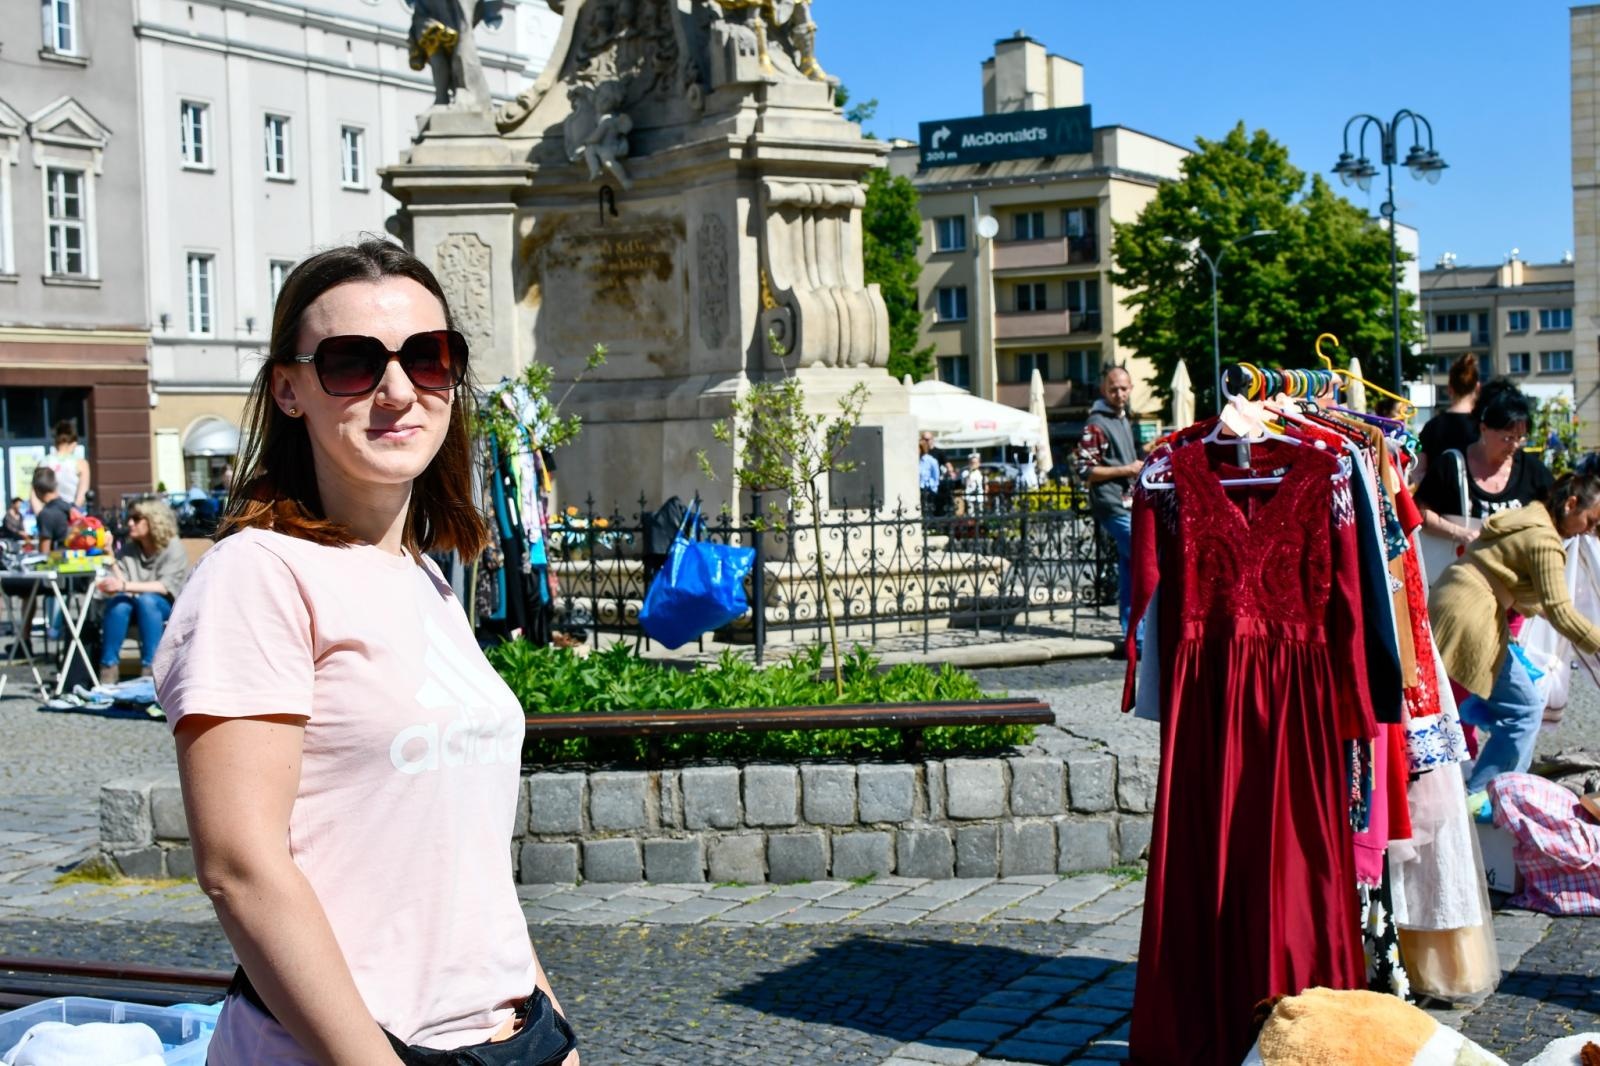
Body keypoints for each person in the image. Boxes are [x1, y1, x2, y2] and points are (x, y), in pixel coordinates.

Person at [151, 242, 578, 1065]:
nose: (399, 390)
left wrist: (549, 1027)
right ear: (289, 389)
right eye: (352, 363)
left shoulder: (424, 575)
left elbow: (465, 862)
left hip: (507, 1037)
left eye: (428, 356)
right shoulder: (259, 574)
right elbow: (240, 868)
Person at [1430, 463, 1600, 792]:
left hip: (1456, 597)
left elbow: (1533, 601)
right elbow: (1560, 612)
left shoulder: (1531, 516)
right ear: (1571, 504)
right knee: (1525, 707)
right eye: (1590, 521)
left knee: (1502, 703)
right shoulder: (1545, 540)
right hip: (1471, 611)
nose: (1587, 531)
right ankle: (1491, 793)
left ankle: (1489, 786)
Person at [1415, 378, 1551, 547]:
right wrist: (1460, 534)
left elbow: (1556, 511)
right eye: (1507, 438)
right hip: (1461, 561)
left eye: (1520, 438)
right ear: (1484, 428)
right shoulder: (1451, 465)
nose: (1515, 445)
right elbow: (1420, 511)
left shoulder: (1531, 470)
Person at [1075, 365, 1142, 657]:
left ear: (1131, 388)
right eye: (1114, 388)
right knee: (1145, 561)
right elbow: (1084, 470)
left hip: (1127, 503)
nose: (1119, 393)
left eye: (1124, 388)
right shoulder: (1096, 423)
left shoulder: (1122, 419)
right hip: (1112, 505)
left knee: (1131, 568)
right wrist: (1127, 469)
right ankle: (1140, 636)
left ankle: (1134, 637)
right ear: (1104, 389)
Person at [95, 499, 190, 685]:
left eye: (137, 519)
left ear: (154, 520)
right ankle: (108, 669)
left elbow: (164, 586)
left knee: (147, 601)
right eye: (129, 518)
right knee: (119, 603)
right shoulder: (130, 549)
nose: (130, 523)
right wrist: (109, 554)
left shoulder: (173, 547)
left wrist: (123, 586)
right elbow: (121, 583)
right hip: (133, 606)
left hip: (163, 607)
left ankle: (150, 671)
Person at [1411, 353, 1480, 488]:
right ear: (1477, 387)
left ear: (1449, 389)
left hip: (1438, 497)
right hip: (1477, 495)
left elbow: (1418, 472)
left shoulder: (1432, 427)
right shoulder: (1484, 427)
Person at [30, 420, 90, 512]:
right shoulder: (80, 463)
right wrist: (73, 512)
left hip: (48, 512)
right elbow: (82, 495)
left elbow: (34, 493)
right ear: (74, 443)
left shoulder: (44, 462)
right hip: (71, 513)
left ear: (55, 442)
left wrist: (40, 514)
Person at [31, 468, 73, 553]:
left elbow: (44, 553)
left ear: (36, 490)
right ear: (55, 486)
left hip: (59, 559)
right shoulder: (69, 508)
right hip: (77, 558)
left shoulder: (46, 515)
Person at [918, 431, 940, 515]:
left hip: (928, 488)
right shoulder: (916, 460)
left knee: (928, 509)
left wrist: (934, 488)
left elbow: (936, 476)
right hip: (919, 488)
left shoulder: (931, 460)